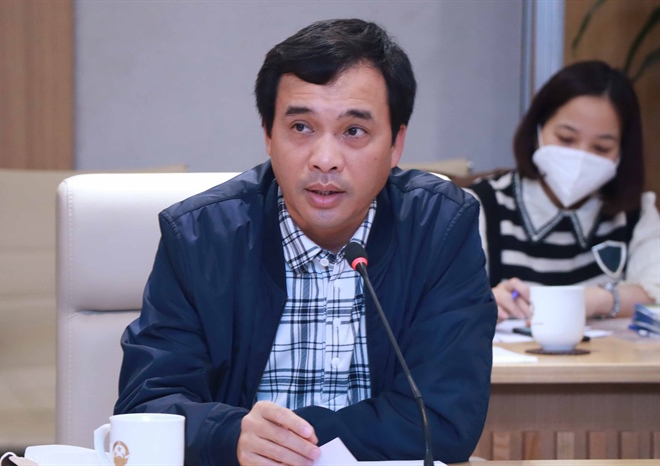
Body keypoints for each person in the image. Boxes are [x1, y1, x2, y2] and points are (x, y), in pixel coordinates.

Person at [115, 18, 496, 466]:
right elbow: (145, 407)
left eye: (354, 131)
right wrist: (232, 436)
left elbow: (445, 420)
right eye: (301, 127)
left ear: (396, 144)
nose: (325, 160)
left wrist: (282, 440)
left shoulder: (439, 228)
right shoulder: (200, 237)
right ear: (268, 136)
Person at [468, 60, 659, 323]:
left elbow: (655, 289)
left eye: (601, 148)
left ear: (622, 151)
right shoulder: (481, 206)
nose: (580, 157)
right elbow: (444, 303)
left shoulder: (635, 213)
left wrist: (595, 300)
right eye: (566, 139)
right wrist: (486, 301)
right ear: (537, 130)